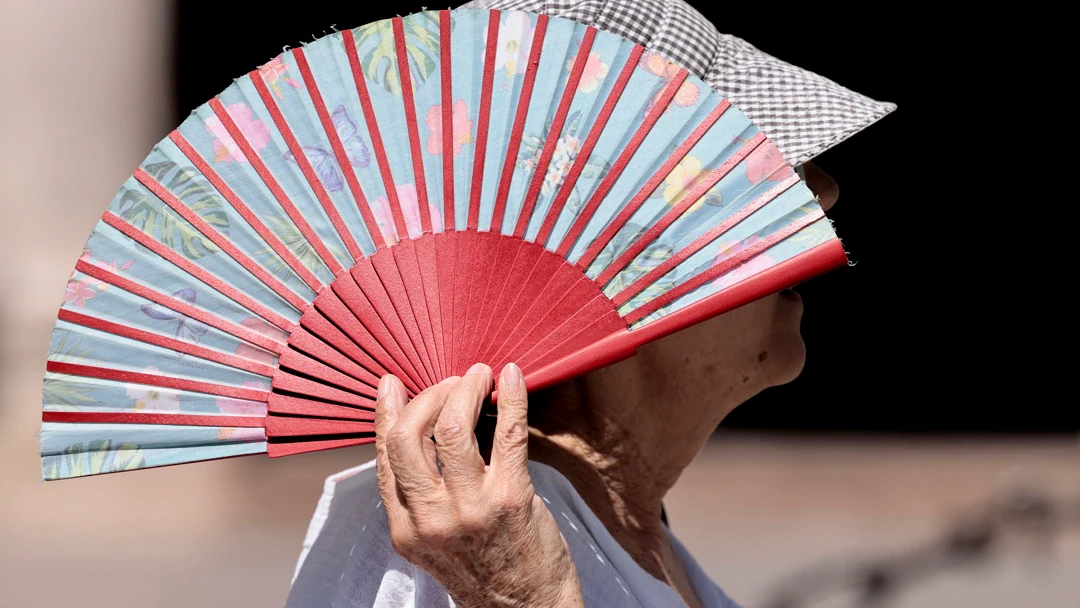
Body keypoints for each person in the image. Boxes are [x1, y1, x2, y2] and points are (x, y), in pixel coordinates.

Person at [287, 1, 893, 606]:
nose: (823, 190)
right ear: (606, 251)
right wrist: (522, 596)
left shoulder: (622, 536)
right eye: (752, 168)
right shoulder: (439, 543)